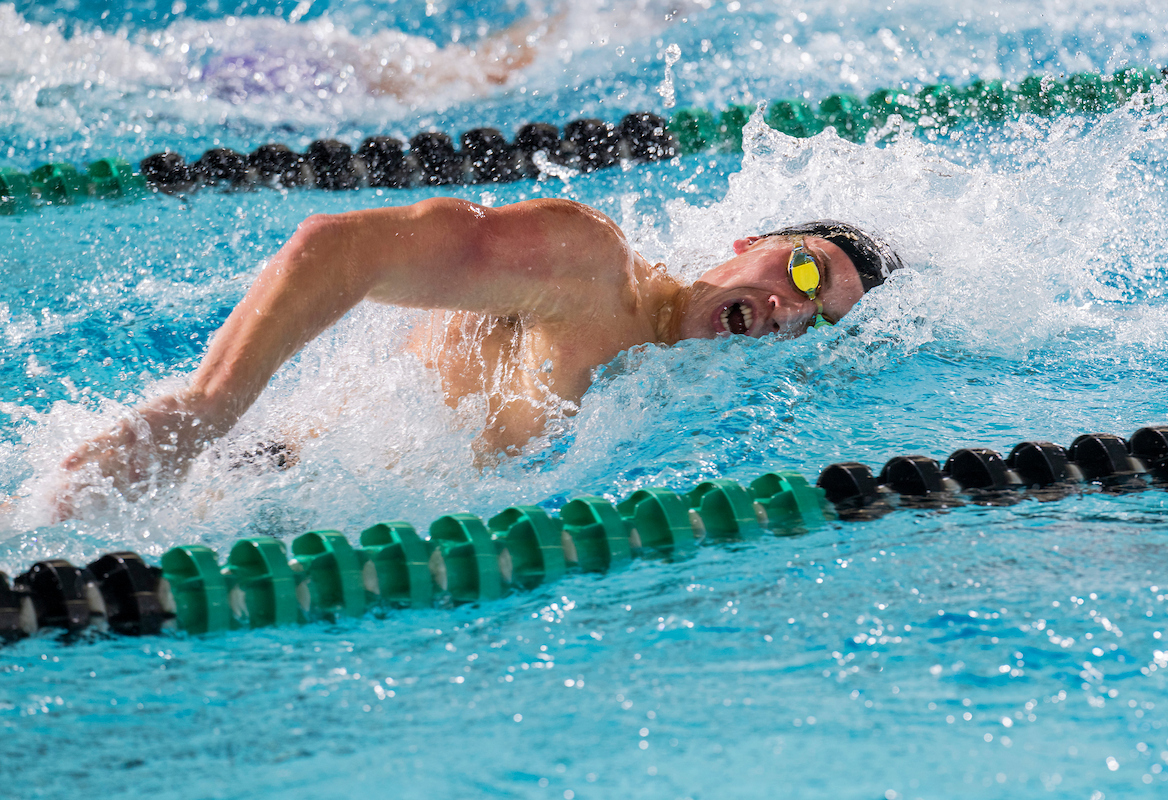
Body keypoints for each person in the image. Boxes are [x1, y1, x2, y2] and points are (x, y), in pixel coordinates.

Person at [53, 198, 901, 519]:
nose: (791, 309)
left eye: (815, 322)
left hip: (302, 532)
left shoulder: (672, 398)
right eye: (801, 271)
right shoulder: (587, 268)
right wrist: (211, 403)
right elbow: (335, 248)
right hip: (232, 477)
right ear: (746, 243)